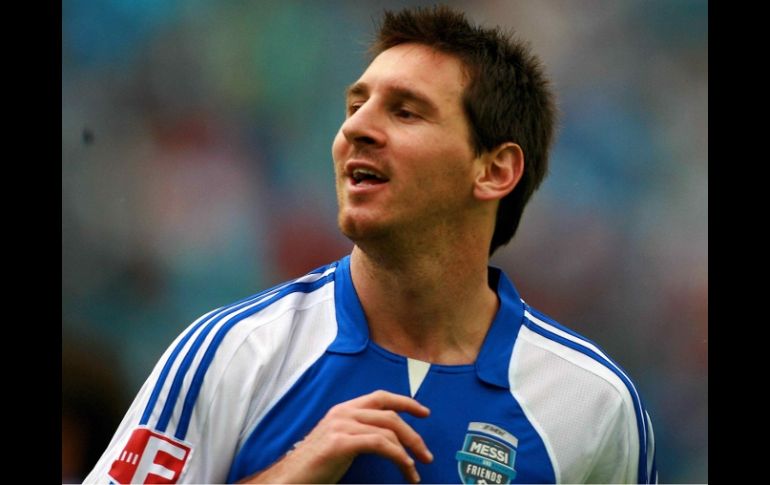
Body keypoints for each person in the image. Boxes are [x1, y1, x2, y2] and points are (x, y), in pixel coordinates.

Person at [84, 6, 657, 484]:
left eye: (405, 111)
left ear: (494, 170)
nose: (355, 129)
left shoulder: (592, 404)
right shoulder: (232, 352)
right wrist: (291, 472)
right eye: (355, 106)